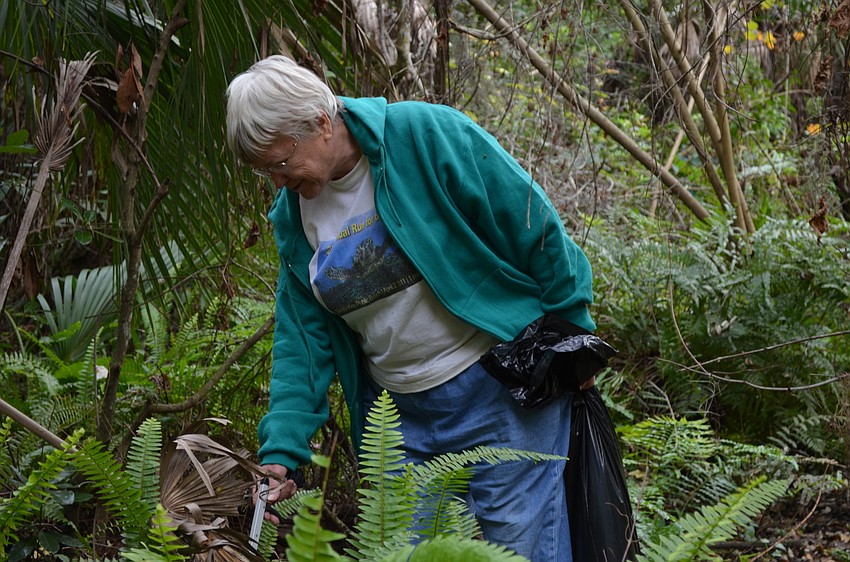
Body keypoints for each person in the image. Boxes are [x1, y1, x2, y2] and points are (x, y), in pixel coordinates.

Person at [225, 54, 596, 562]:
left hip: (501, 394)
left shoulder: (424, 135)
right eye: (264, 170)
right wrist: (283, 451)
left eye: (280, 163)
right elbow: (302, 341)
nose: (275, 181)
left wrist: (573, 339)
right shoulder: (294, 218)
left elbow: (534, 225)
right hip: (398, 422)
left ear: (319, 123)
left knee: (521, 550)